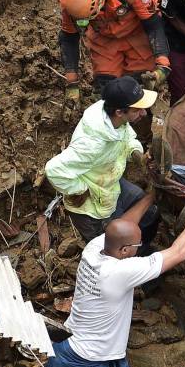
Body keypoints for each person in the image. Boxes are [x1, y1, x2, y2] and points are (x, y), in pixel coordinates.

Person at [43, 195, 185, 367]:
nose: (140, 247)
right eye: (138, 245)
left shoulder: (96, 248)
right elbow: (179, 253)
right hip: (83, 364)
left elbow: (125, 224)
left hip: (106, 354)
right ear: (124, 250)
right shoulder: (119, 272)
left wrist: (152, 195)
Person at [45, 77, 160, 245]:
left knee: (147, 210)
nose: (143, 113)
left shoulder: (113, 117)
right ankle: (127, 261)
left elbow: (126, 137)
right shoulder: (92, 145)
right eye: (138, 110)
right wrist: (81, 190)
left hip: (110, 183)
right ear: (120, 112)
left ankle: (142, 250)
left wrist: (137, 155)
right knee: (111, 246)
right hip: (92, 207)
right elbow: (53, 170)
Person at [58, 0, 170, 121]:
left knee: (139, 87)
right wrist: (72, 84)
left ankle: (141, 132)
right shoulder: (70, 1)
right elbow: (68, 38)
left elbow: (154, 25)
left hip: (137, 33)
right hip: (103, 38)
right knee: (107, 89)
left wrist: (163, 66)